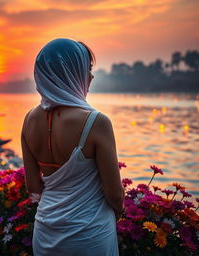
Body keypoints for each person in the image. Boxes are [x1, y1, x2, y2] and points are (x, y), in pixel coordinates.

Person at [21, 38, 125, 256]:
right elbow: (115, 193)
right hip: (90, 235)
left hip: (45, 233)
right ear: (71, 72)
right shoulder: (96, 122)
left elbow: (33, 186)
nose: (91, 76)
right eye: (87, 69)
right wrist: (119, 214)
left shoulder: (29, 120)